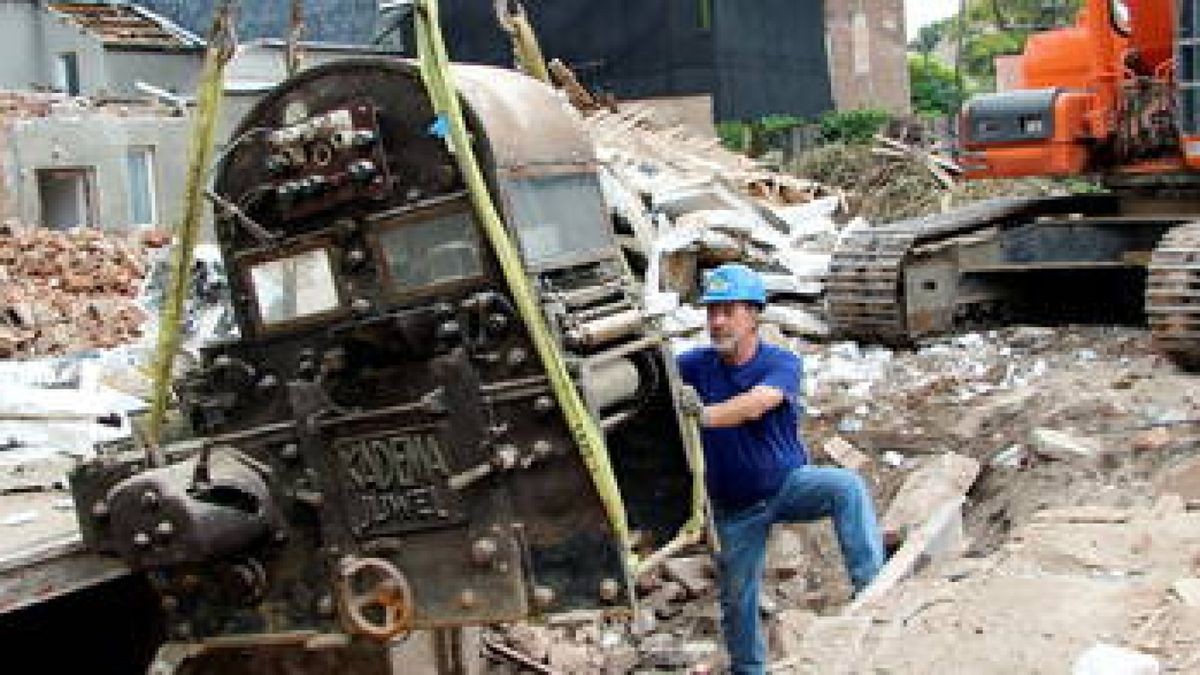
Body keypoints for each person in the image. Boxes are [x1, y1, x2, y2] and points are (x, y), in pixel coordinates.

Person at [676, 263, 885, 675]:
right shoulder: (695, 365)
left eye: (728, 310)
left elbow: (758, 402)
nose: (717, 321)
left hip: (788, 484)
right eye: (711, 311)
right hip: (734, 508)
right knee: (737, 600)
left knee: (846, 487)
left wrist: (704, 415)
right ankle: (749, 669)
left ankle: (875, 597)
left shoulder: (781, 362)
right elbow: (650, 372)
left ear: (754, 315)